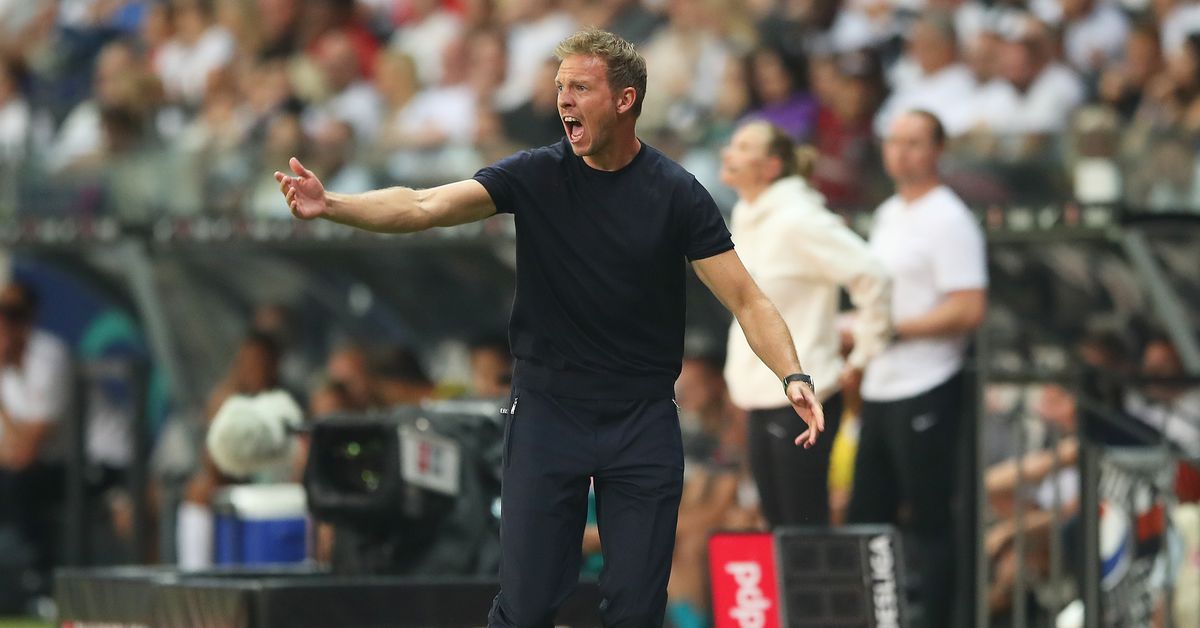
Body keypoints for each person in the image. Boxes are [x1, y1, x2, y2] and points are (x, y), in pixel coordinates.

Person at [275, 28, 824, 628]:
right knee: (528, 605)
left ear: (624, 100)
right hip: (546, 412)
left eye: (580, 88)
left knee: (637, 609)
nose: (563, 100)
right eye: (561, 87)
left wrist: (791, 373)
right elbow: (423, 206)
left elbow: (747, 299)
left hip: (641, 418)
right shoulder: (536, 174)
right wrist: (333, 205)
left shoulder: (676, 194)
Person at [848, 110, 988, 628]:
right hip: (882, 384)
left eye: (913, 142)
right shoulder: (887, 213)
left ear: (936, 151)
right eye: (893, 141)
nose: (900, 152)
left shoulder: (949, 218)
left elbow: (968, 308)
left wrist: (894, 330)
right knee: (866, 515)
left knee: (929, 519)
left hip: (929, 381)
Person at [719, 120, 891, 526]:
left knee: (802, 529)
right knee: (777, 527)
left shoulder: (798, 218)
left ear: (772, 166)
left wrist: (864, 354)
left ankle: (823, 594)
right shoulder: (746, 213)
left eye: (744, 147)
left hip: (802, 394)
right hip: (759, 394)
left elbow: (873, 275)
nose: (729, 153)